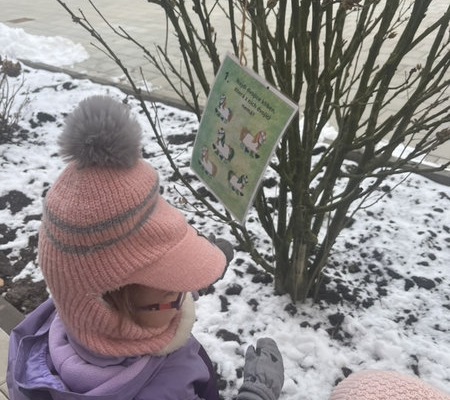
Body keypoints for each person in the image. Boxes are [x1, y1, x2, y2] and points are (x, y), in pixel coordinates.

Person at [5, 95, 282, 400]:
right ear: (107, 313)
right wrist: (257, 395)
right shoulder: (163, 391)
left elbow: (145, 296)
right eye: (173, 291)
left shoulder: (67, 319)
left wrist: (192, 274)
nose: (183, 294)